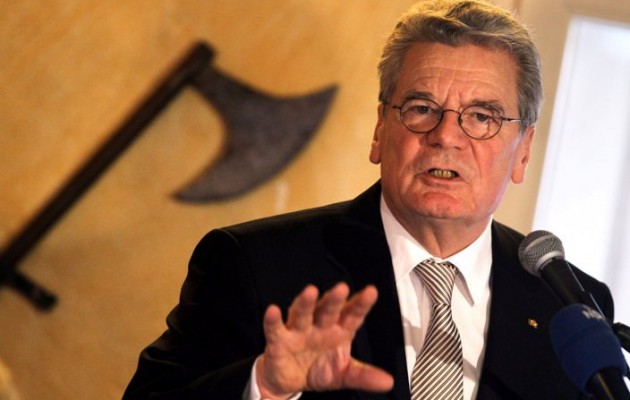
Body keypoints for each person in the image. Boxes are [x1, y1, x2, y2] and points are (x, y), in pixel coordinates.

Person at [123, 1, 614, 399]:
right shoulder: (253, 265)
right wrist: (265, 387)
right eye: (421, 108)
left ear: (523, 151)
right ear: (381, 130)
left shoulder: (571, 308)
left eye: (482, 117)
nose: (446, 136)